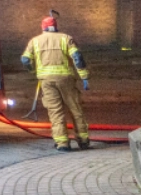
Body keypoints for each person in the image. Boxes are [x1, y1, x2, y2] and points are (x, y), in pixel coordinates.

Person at [20, 14, 90, 151]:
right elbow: (77, 57)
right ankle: (83, 140)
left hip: (46, 81)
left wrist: (32, 71)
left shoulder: (34, 41)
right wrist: (84, 76)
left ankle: (62, 143)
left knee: (55, 112)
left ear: (43, 27)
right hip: (66, 80)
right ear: (56, 27)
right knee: (75, 109)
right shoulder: (66, 38)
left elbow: (25, 60)